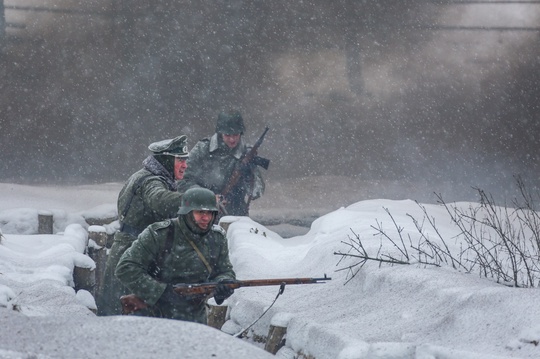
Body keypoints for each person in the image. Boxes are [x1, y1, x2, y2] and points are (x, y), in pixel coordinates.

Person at [96, 135, 189, 316]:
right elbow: (160, 200)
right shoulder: (151, 181)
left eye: (185, 160)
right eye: (180, 160)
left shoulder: (145, 176)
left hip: (129, 249)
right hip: (133, 254)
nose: (185, 165)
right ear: (166, 160)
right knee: (125, 317)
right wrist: (193, 200)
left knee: (118, 313)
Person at [115, 187, 236, 323]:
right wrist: (162, 292)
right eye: (200, 212)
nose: (206, 218)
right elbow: (125, 268)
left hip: (195, 319)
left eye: (210, 213)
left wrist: (224, 284)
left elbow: (225, 271)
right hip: (154, 316)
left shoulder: (216, 238)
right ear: (187, 213)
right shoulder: (160, 234)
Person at [178, 110, 266, 216]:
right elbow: (182, 181)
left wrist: (249, 174)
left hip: (235, 215)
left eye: (236, 134)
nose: (232, 139)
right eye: (228, 135)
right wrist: (207, 197)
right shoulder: (202, 149)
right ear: (220, 133)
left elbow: (257, 192)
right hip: (202, 213)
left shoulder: (246, 153)